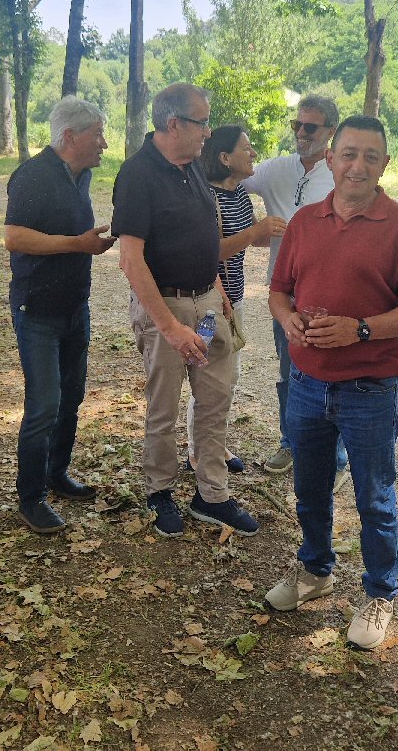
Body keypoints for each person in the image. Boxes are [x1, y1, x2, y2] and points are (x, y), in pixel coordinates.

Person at [263, 115, 398, 651]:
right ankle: (315, 569)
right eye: (349, 154)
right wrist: (288, 319)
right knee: (309, 488)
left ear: (385, 165)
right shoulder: (303, 222)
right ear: (331, 159)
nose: (358, 166)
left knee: (374, 497)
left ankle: (380, 592)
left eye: (370, 157)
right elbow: (278, 291)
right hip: (306, 383)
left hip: (369, 388)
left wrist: (360, 329)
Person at [111, 83, 258, 539]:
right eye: (202, 122)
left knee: (214, 398)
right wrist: (171, 327)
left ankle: (211, 494)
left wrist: (218, 289)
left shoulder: (193, 165)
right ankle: (159, 491)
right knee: (164, 407)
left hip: (208, 305)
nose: (208, 132)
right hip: (167, 308)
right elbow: (130, 259)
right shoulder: (137, 174)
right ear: (173, 123)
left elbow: (203, 236)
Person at [4, 97, 115, 534]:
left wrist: (93, 241)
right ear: (70, 136)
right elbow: (14, 237)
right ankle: (31, 498)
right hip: (37, 311)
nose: (104, 143)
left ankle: (56, 473)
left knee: (71, 397)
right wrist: (77, 244)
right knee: (44, 406)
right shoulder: (32, 175)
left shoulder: (81, 175)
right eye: (97, 134)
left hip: (74, 308)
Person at [241, 97, 349, 488]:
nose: (301, 133)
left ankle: (336, 458)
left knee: (332, 373)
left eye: (311, 127)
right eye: (296, 125)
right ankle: (291, 443)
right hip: (283, 293)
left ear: (330, 131)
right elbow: (228, 177)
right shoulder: (276, 169)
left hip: (331, 291)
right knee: (290, 371)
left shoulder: (341, 173)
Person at [185, 125, 287, 473]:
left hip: (235, 299)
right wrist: (257, 231)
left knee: (228, 375)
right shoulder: (205, 197)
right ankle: (198, 451)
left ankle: (215, 443)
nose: (254, 153)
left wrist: (281, 232)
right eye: (247, 148)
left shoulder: (240, 193)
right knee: (208, 376)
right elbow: (208, 252)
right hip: (210, 304)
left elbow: (252, 238)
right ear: (225, 158)